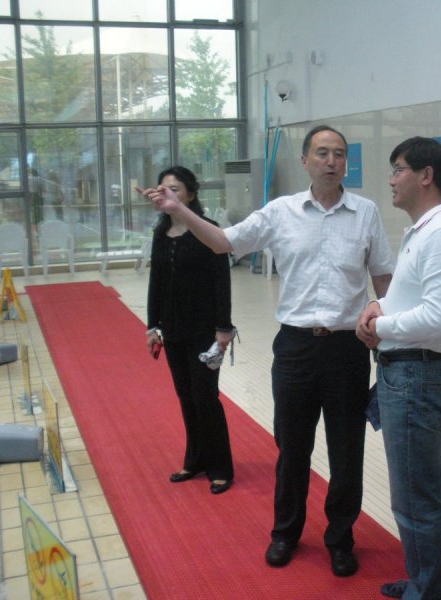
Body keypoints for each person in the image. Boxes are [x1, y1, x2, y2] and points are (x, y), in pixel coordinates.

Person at [139, 125, 393, 578]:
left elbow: (383, 278)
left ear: (345, 162)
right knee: (291, 447)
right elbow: (223, 242)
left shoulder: (366, 213)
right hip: (295, 347)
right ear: (305, 161)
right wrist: (179, 209)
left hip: (346, 349)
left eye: (339, 153)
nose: (331, 161)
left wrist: (385, 319)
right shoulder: (281, 212)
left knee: (347, 451)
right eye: (322, 153)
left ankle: (340, 539)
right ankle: (286, 532)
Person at [356, 137, 441, 600]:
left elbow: (439, 318)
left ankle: (428, 591)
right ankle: (427, 580)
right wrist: (378, 306)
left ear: (426, 175)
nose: (391, 179)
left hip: (417, 376)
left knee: (415, 498)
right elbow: (411, 299)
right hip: (407, 372)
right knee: (416, 493)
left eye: (398, 169)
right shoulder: (424, 231)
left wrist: (381, 325)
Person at [144, 166, 235, 496]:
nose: (167, 193)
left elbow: (222, 283)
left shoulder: (207, 231)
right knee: (186, 397)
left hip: (204, 330)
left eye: (175, 189)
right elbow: (156, 282)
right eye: (162, 188)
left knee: (205, 398)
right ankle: (195, 460)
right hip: (173, 330)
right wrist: (152, 326)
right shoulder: (161, 233)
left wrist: (223, 328)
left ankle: (220, 467)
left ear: (191, 194)